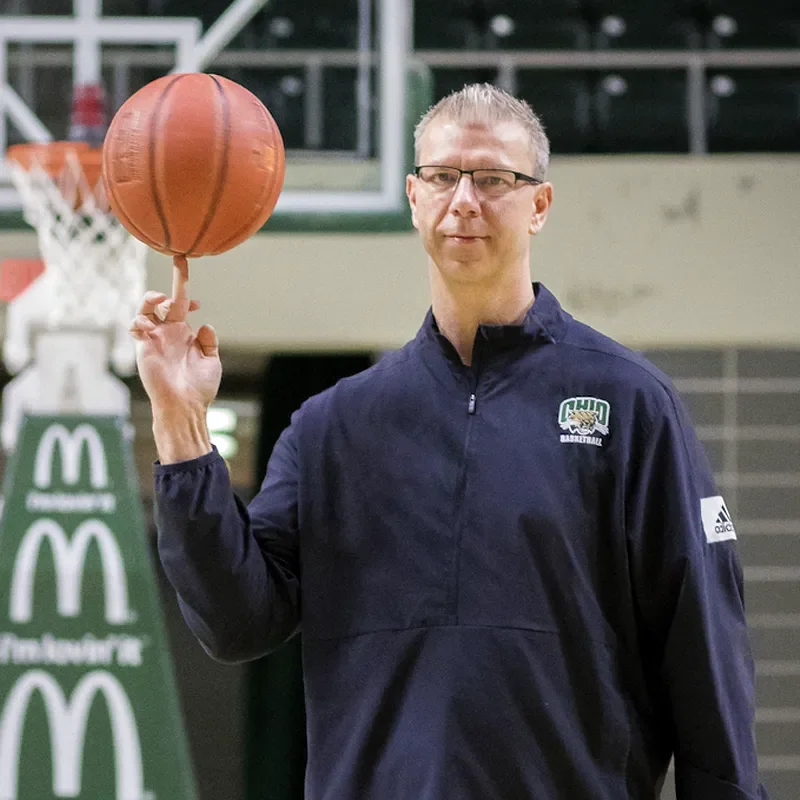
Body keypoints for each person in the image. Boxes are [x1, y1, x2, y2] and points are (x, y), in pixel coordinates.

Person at [131, 83, 770, 799]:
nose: (463, 199)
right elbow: (236, 623)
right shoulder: (331, 427)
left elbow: (704, 650)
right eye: (442, 177)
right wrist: (180, 421)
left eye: (493, 178)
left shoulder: (631, 404)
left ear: (539, 205)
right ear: (413, 197)